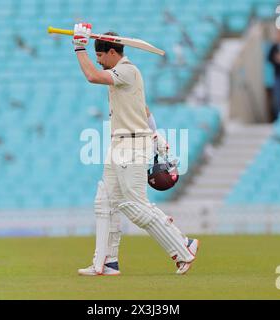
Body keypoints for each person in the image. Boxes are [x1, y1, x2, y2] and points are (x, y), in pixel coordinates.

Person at [72, 23, 199, 276]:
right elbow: (144, 110)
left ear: (111, 52)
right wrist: (157, 135)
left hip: (132, 144)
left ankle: (184, 245)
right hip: (119, 143)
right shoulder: (120, 77)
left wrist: (79, 47)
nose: (98, 62)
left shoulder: (128, 71)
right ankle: (106, 262)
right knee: (106, 202)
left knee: (135, 205)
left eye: (100, 56)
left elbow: (92, 77)